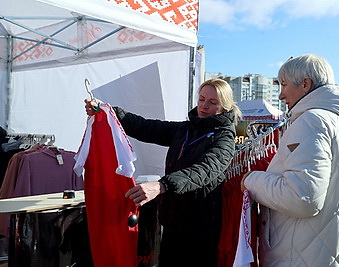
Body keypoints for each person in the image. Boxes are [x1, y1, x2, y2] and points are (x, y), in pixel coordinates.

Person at [85, 78, 241, 267]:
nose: (204, 106)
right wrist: (109, 111)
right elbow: (146, 127)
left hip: (201, 230)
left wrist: (162, 185)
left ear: (224, 107)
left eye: (212, 102)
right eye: (201, 99)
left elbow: (204, 170)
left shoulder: (225, 138)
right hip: (173, 223)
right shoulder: (186, 129)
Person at [241, 54, 339, 266]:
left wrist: (252, 180)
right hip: (326, 252)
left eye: (284, 85)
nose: (281, 95)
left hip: (302, 255)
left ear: (305, 84)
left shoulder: (312, 121)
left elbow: (302, 198)